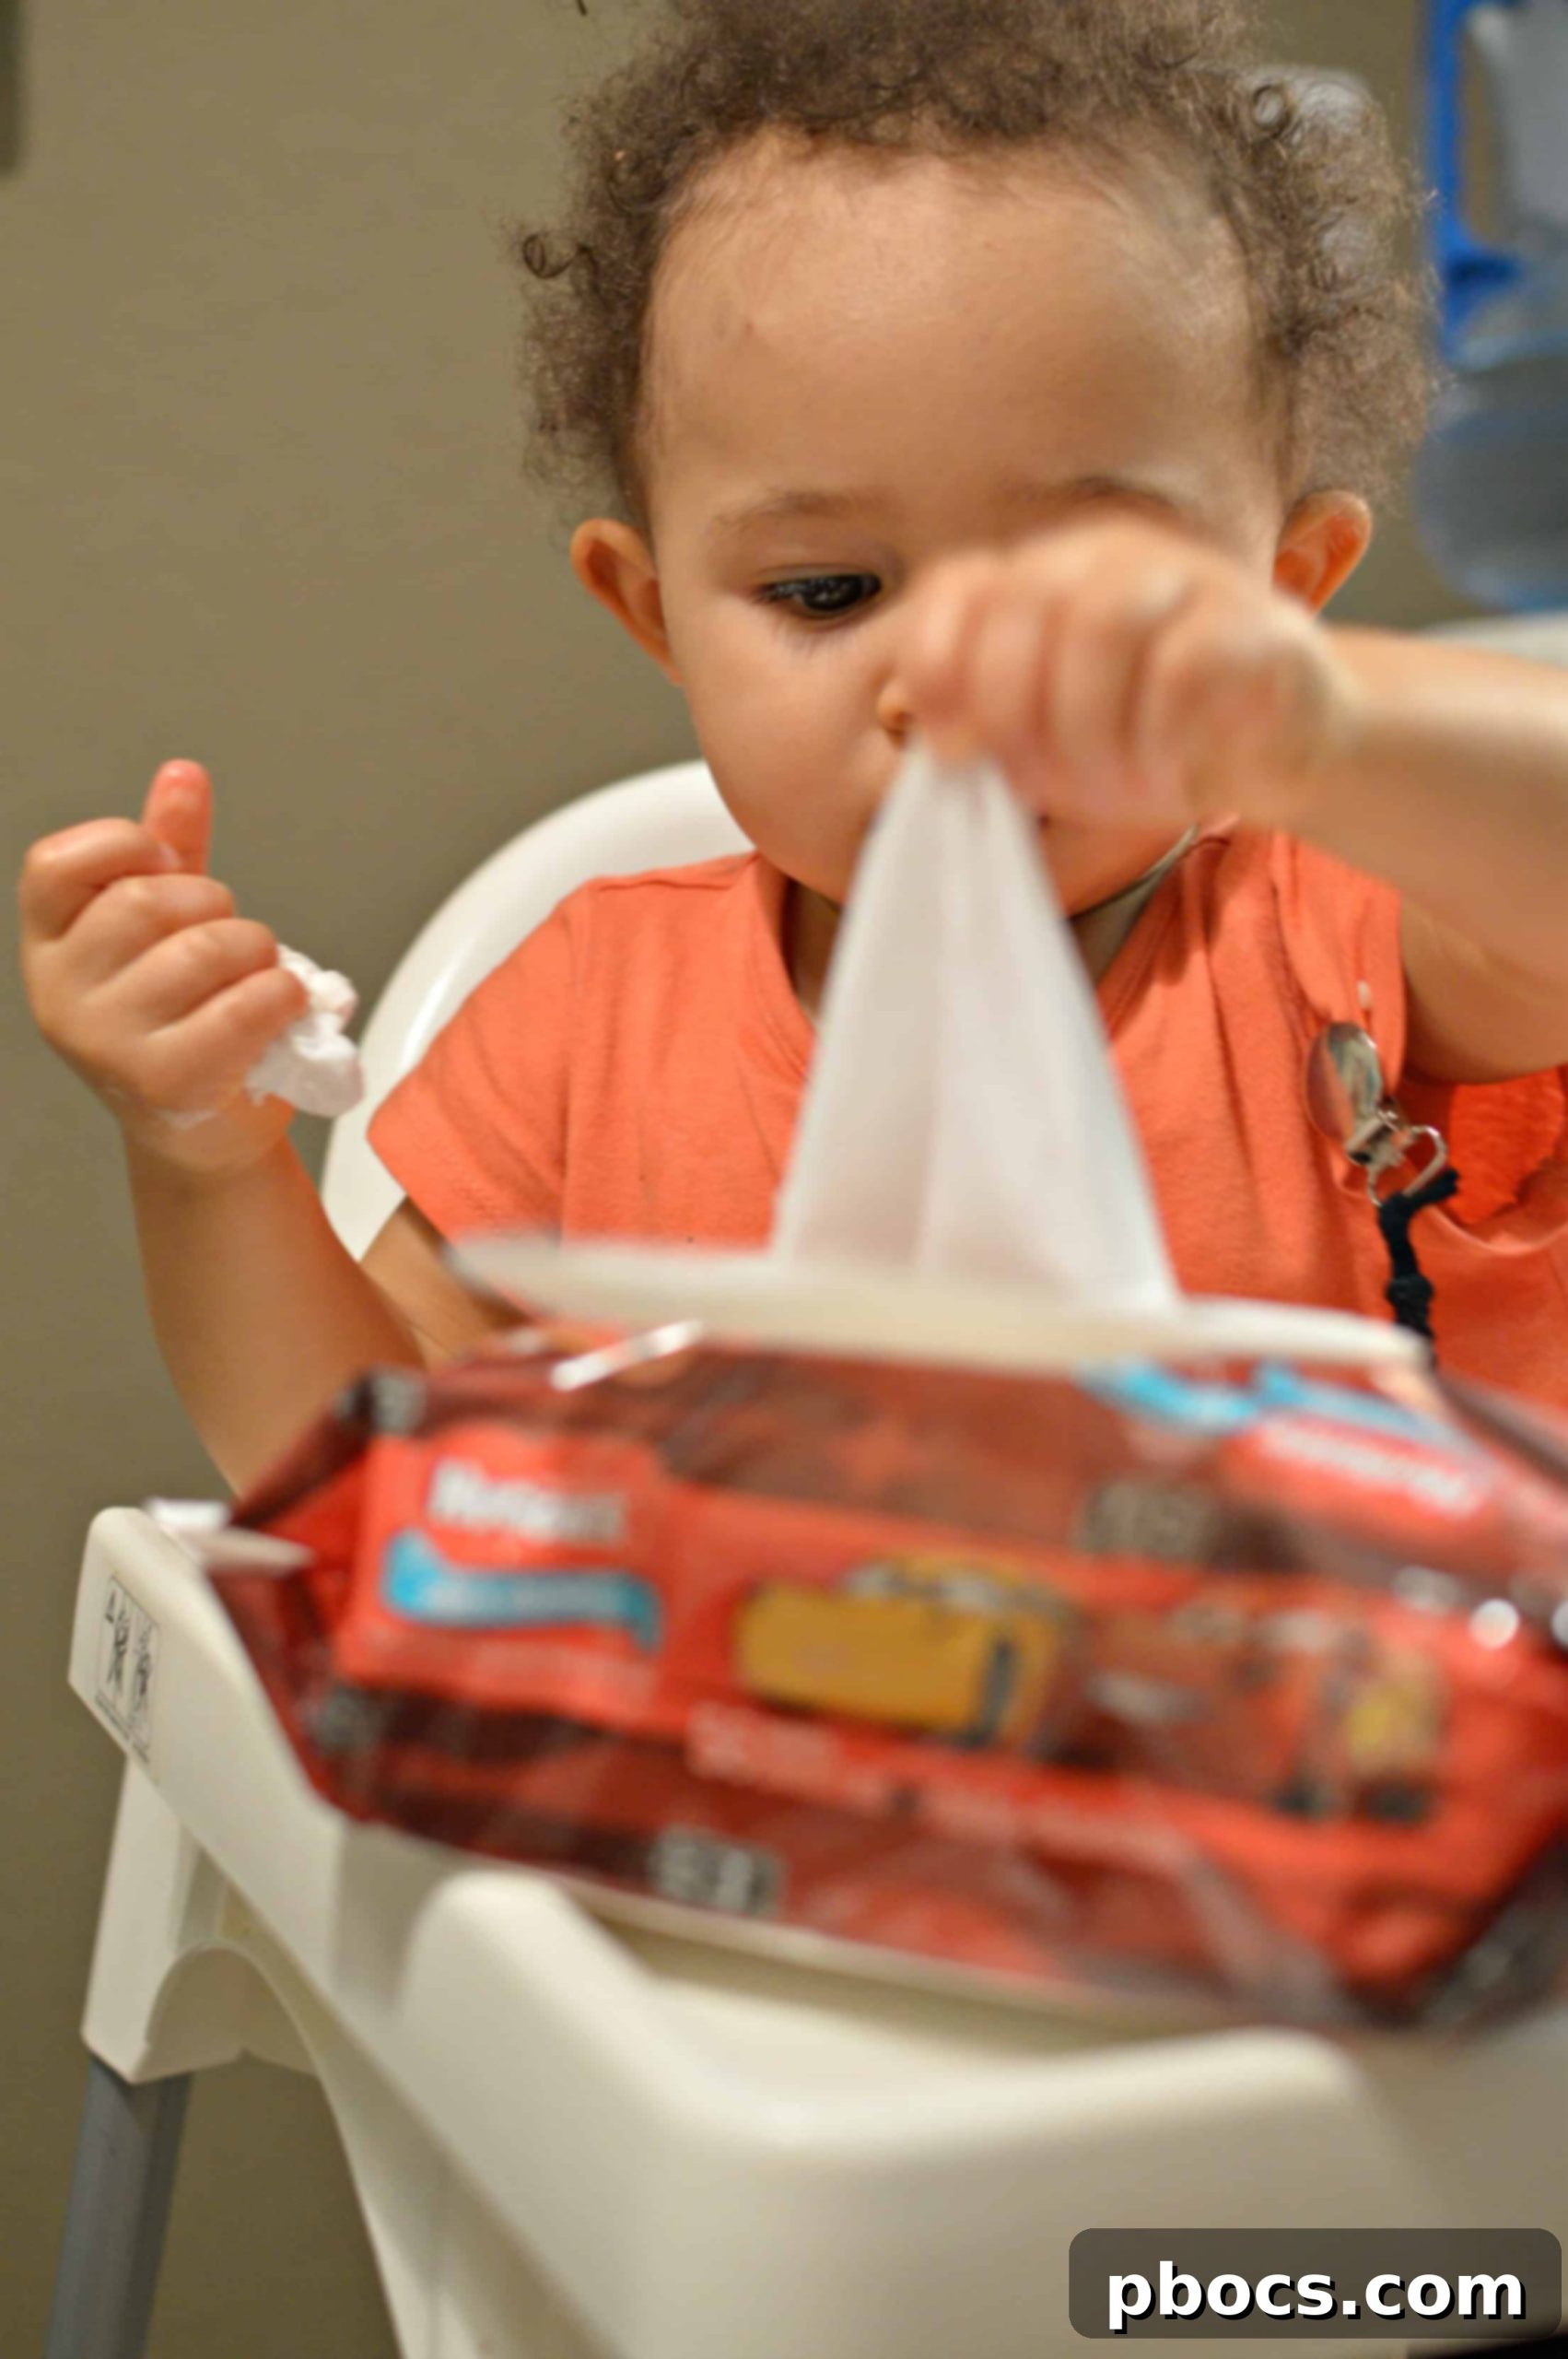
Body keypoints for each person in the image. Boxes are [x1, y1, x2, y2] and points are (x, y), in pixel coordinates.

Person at [18, 0, 1568, 1498]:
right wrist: (209, 1163)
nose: (947, 683)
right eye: (827, 592)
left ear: (1283, 589)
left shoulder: (1335, 946)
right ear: (652, 612)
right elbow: (368, 1481)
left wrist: (1313, 723)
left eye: (1081, 597)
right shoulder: (591, 1018)